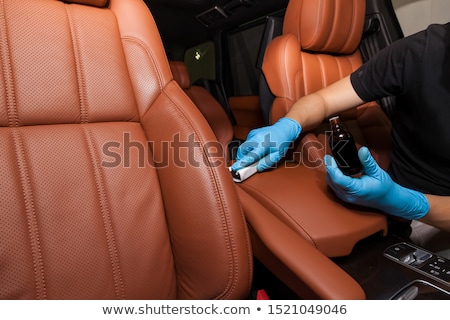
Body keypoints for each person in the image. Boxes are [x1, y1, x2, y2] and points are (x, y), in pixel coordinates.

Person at [231, 22, 450, 238]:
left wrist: (409, 203)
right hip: (419, 220)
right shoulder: (420, 51)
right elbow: (322, 101)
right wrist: (288, 125)